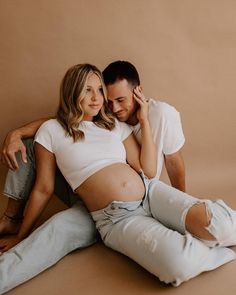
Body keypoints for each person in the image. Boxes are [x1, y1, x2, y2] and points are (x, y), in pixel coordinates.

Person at [0, 63, 236, 294]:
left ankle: (205, 233)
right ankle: (211, 249)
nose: (96, 98)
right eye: (87, 90)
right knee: (177, 266)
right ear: (72, 92)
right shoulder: (51, 130)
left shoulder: (113, 126)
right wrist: (21, 234)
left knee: (223, 224)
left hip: (151, 193)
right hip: (116, 217)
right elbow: (44, 188)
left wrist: (143, 119)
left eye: (99, 90)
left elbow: (149, 171)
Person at [0, 60, 185, 236]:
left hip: (123, 202)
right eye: (109, 100)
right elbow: (59, 124)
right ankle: (12, 219)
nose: (114, 107)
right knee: (30, 144)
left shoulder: (158, 116)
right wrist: (16, 133)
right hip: (83, 186)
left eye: (121, 99)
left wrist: (180, 202)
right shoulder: (106, 117)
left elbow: (170, 163)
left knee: (56, 229)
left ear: (138, 92)